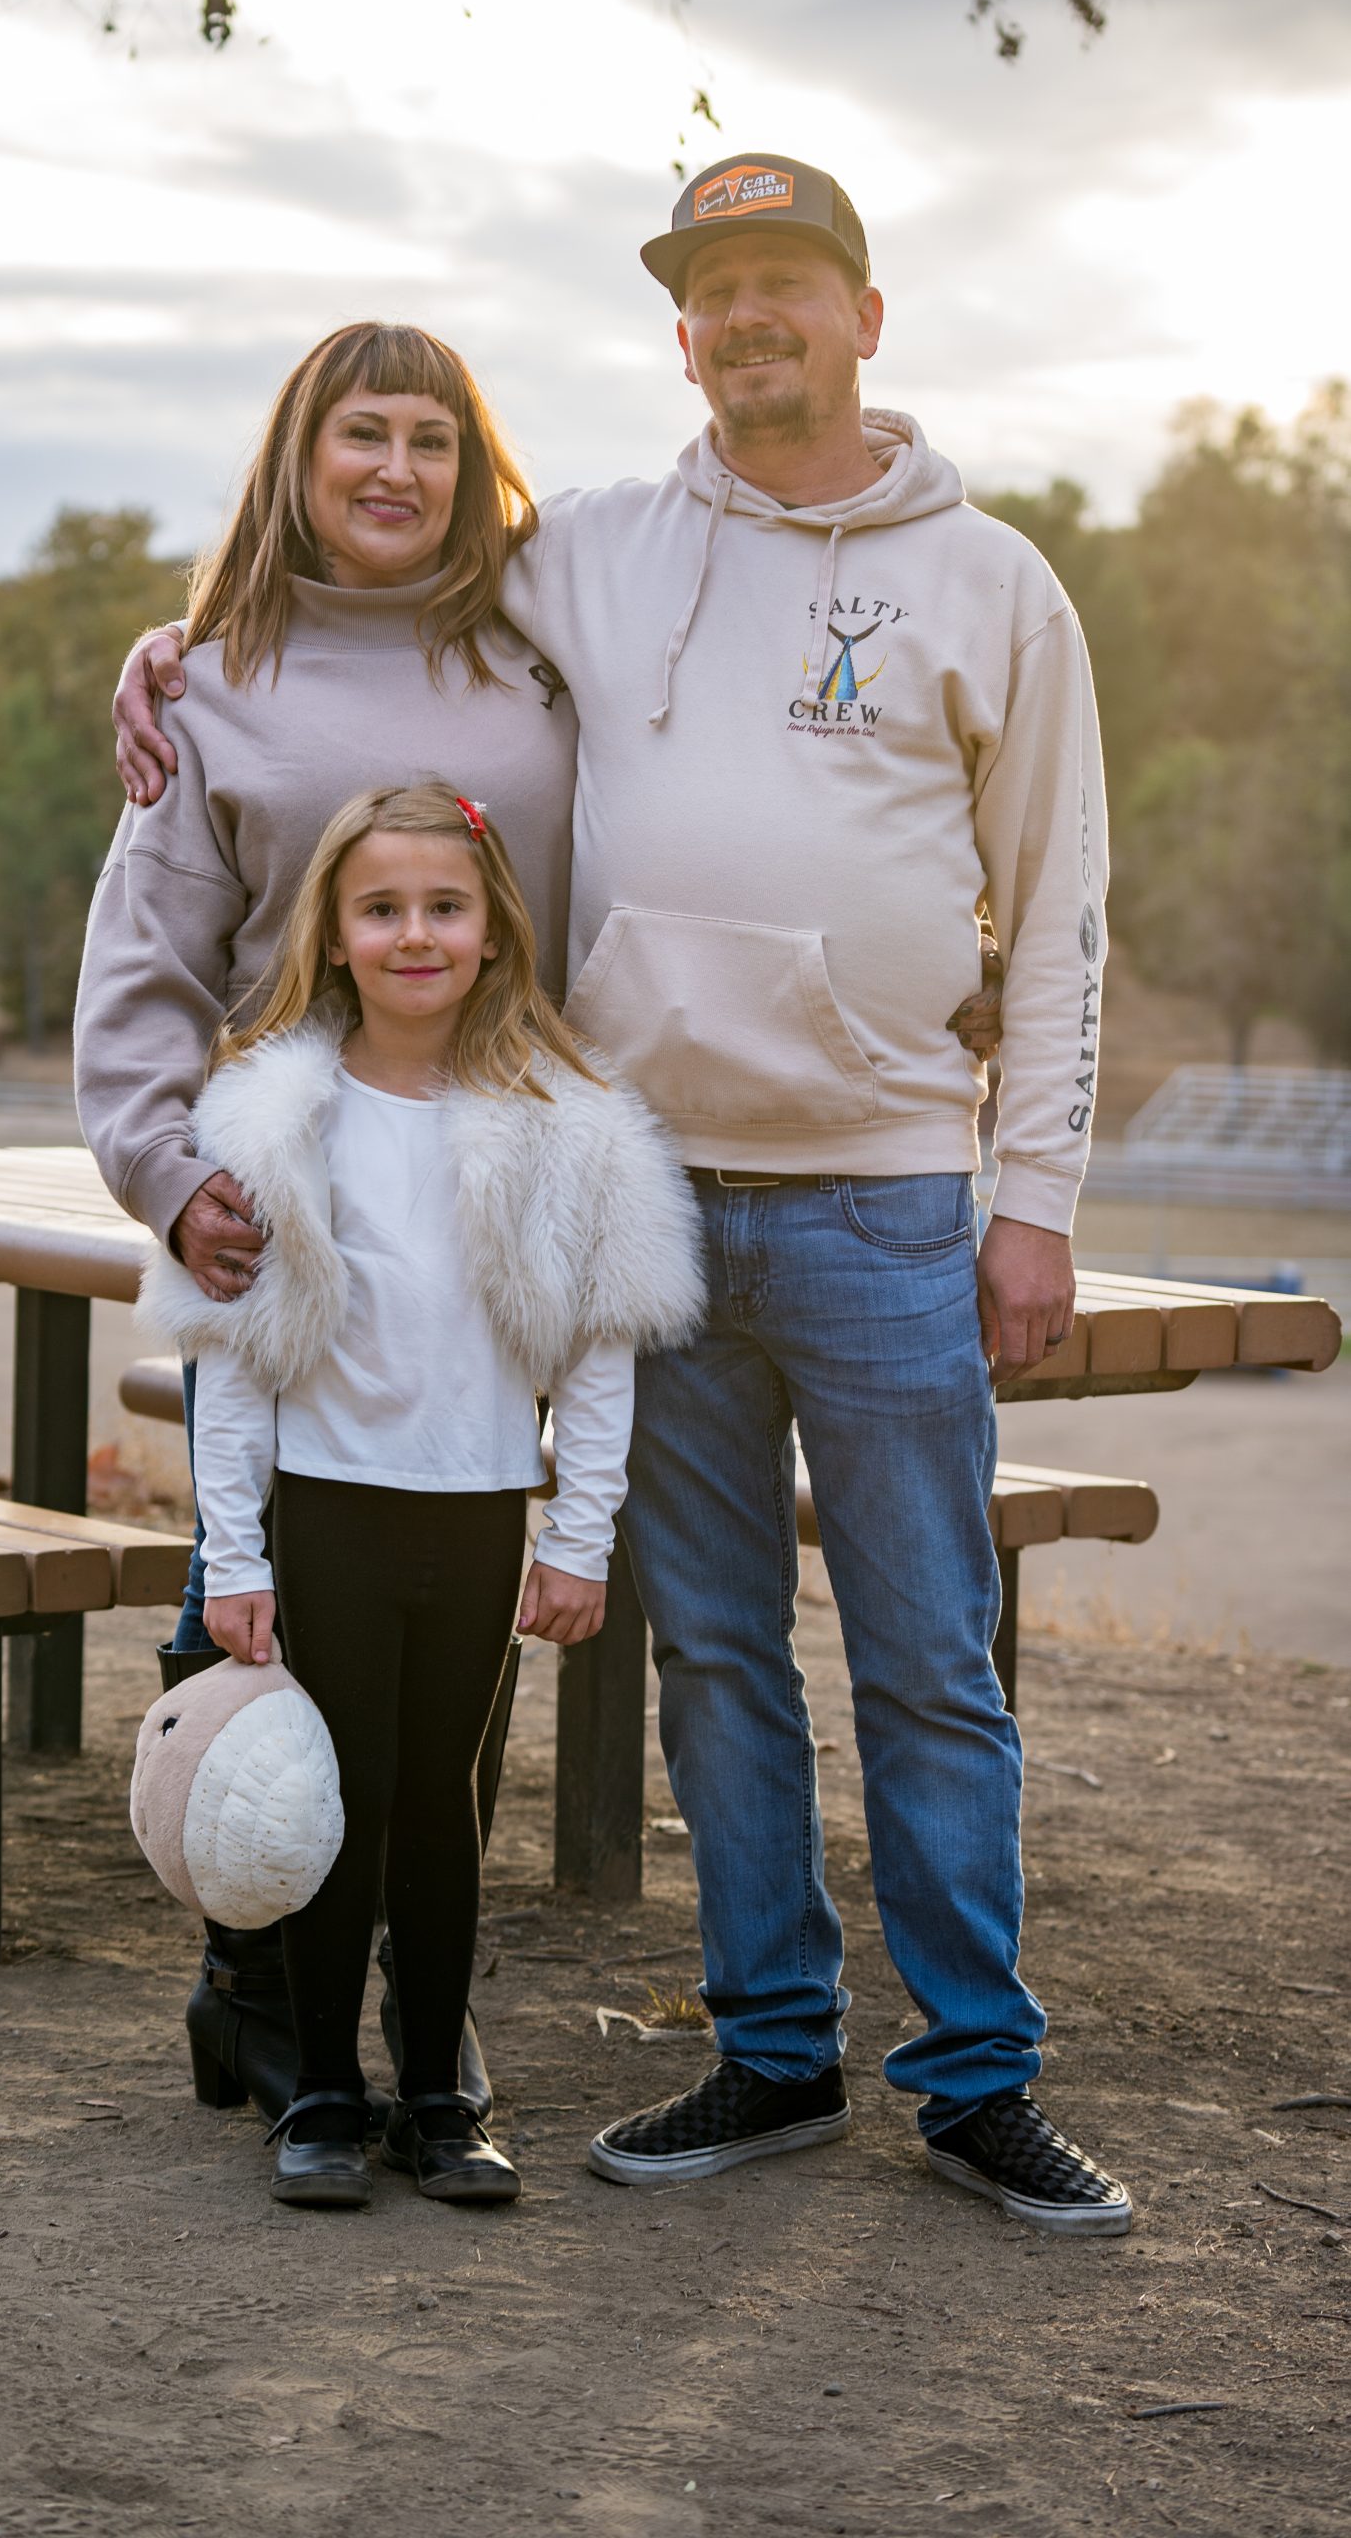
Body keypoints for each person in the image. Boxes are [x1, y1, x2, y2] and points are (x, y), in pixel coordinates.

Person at [112, 153, 1130, 2237]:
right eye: (713, 290)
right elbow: (366, 559)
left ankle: (975, 2077)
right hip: (638, 1201)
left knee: (930, 1657)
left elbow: (1060, 914)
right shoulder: (586, 551)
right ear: (680, 335)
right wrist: (183, 645)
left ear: (863, 314)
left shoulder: (993, 584)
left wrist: (1030, 1193)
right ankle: (772, 2048)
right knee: (716, 1659)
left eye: (787, 282)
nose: (749, 318)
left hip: (879, 1200)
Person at [143, 780, 704, 2207]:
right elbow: (233, 1361)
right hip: (326, 1506)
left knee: (442, 1804)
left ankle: (439, 2102)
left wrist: (578, 1537)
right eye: (381, 908)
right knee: (334, 1799)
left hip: (475, 1509)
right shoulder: (273, 1115)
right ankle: (324, 2092)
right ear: (332, 933)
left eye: (444, 907)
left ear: (492, 928)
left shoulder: (567, 1120)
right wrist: (234, 1556)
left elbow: (601, 1353)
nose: (414, 935)